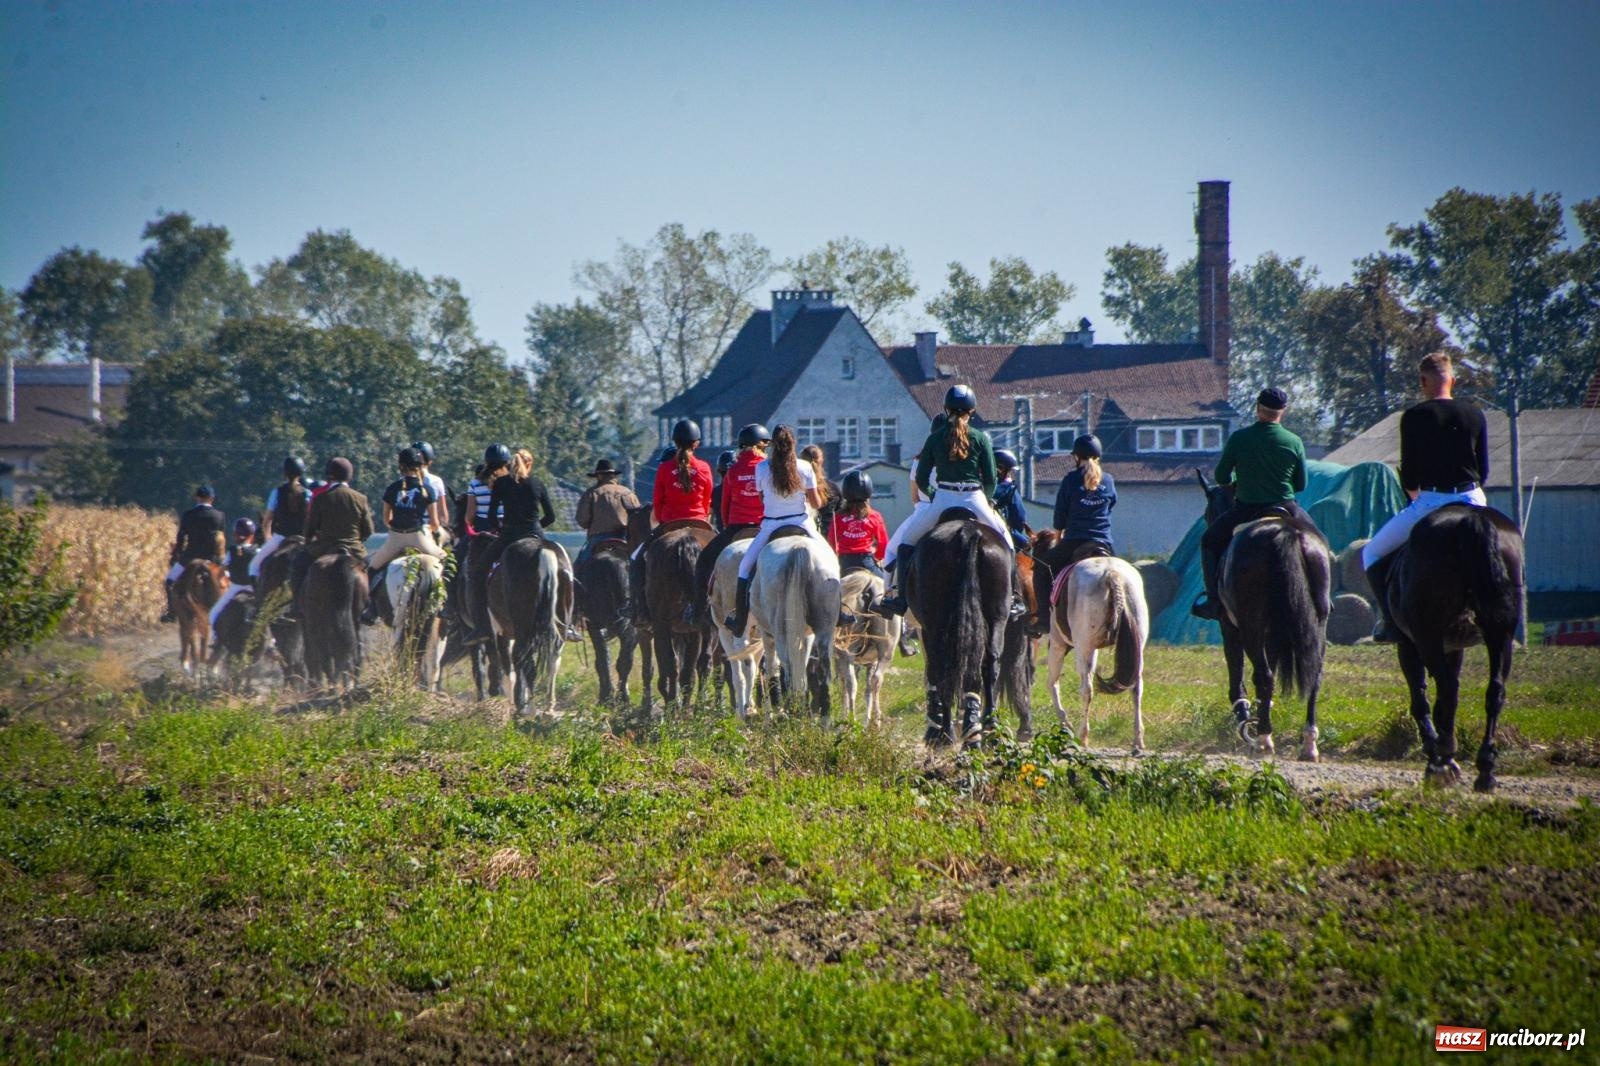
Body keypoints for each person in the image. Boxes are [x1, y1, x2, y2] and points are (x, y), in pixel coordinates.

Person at [1361, 352, 1490, 642]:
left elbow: (1409, 476)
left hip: (1431, 501)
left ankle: (1391, 622)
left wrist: (1417, 497)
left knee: (1370, 553)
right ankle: (1498, 615)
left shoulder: (1415, 416)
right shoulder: (1475, 414)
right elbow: (1483, 471)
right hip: (1473, 499)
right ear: (1453, 380)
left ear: (1423, 382)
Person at [875, 386, 1019, 617]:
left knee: (905, 546)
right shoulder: (981, 438)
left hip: (943, 497)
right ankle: (1012, 598)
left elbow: (921, 478)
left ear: (946, 409)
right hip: (974, 498)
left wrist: (935, 496)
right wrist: (987, 499)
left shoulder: (934, 438)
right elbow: (991, 478)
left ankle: (900, 600)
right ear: (972, 411)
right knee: (1006, 542)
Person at [1190, 387, 1313, 620]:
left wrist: (1239, 481)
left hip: (1247, 508)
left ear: (1258, 409)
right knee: (1319, 541)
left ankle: (1213, 601)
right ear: (1282, 412)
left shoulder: (1239, 438)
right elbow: (1301, 483)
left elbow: (1222, 478)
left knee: (1209, 541)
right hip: (1286, 508)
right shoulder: (1294, 441)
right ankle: (1321, 596)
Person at [724, 424, 830, 633]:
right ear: (793, 444)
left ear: (771, 444)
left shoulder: (762, 468)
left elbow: (762, 498)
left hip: (771, 524)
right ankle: (839, 610)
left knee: (745, 567)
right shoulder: (805, 467)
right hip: (801, 522)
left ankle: (740, 619)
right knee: (830, 560)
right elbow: (816, 504)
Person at [631, 422, 714, 625]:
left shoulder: (665, 468)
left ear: (675, 442)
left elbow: (658, 504)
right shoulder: (704, 467)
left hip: (669, 524)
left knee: (636, 559)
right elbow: (707, 501)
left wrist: (662, 519)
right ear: (696, 444)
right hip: (700, 522)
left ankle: (641, 609)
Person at [686, 424, 768, 626]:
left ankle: (698, 610)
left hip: (736, 528)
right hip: (765, 528)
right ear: (762, 446)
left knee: (704, 561)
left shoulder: (734, 470)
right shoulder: (767, 468)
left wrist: (727, 527)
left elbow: (725, 506)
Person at [361, 448, 446, 624]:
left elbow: (386, 519)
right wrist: (429, 530)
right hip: (419, 537)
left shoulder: (392, 489)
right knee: (448, 560)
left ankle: (371, 608)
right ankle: (448, 605)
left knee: (372, 568)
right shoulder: (428, 489)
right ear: (421, 466)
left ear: (400, 466)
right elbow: (435, 523)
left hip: (395, 539)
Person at [291, 457, 375, 614]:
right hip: (354, 549)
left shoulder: (321, 498)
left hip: (323, 548)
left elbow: (309, 530)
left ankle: (297, 606)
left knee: (297, 565)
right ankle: (372, 607)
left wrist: (309, 541)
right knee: (374, 571)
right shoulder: (361, 498)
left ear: (329, 476)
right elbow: (369, 530)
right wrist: (356, 540)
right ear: (349, 476)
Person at [162, 484, 227, 623]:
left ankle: (171, 612)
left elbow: (181, 539)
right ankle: (225, 612)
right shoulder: (220, 516)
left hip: (190, 557)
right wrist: (220, 559)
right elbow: (220, 540)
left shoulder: (188, 515)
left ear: (197, 498)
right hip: (212, 558)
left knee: (169, 581)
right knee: (227, 583)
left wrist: (178, 553)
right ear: (212, 498)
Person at [250, 456, 311, 579]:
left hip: (281, 537)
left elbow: (267, 520)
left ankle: (258, 597)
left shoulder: (277, 492)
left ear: (285, 473)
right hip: (303, 538)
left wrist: (268, 539)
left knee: (253, 567)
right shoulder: (308, 494)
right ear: (301, 473)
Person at [575, 458, 640, 562]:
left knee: (580, 565)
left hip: (598, 538)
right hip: (624, 537)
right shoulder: (628, 493)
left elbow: (582, 520)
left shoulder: (592, 493)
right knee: (639, 563)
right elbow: (638, 518)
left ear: (599, 476)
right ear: (613, 476)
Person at [828, 470, 889, 579]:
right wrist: (877, 557)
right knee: (886, 586)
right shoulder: (874, 516)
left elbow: (831, 543)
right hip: (866, 562)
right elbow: (883, 544)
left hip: (844, 564)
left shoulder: (837, 517)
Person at [208, 517, 260, 640]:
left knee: (213, 614)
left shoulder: (232, 551)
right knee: (264, 615)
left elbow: (222, 570)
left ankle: (216, 639)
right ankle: (270, 643)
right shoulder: (258, 551)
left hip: (235, 589)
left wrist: (222, 579)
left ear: (236, 534)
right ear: (252, 535)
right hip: (253, 590)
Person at [411, 440, 450, 543]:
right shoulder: (436, 481)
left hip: (406, 529)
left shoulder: (402, 481)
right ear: (430, 461)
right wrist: (443, 527)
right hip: (430, 529)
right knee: (447, 556)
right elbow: (443, 512)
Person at [992, 449, 1031, 550]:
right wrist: (1022, 540)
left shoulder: (981, 485)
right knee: (1027, 545)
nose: (1011, 475)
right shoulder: (1007, 488)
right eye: (1010, 472)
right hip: (1004, 529)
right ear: (1000, 469)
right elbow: (1019, 516)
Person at [800, 444, 841, 536]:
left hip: (802, 531)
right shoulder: (833, 488)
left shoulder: (795, 489)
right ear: (821, 461)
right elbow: (840, 513)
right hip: (828, 537)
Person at [710, 450, 736, 533]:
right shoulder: (744, 490)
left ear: (719, 470)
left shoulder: (715, 492)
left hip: (722, 533)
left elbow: (710, 517)